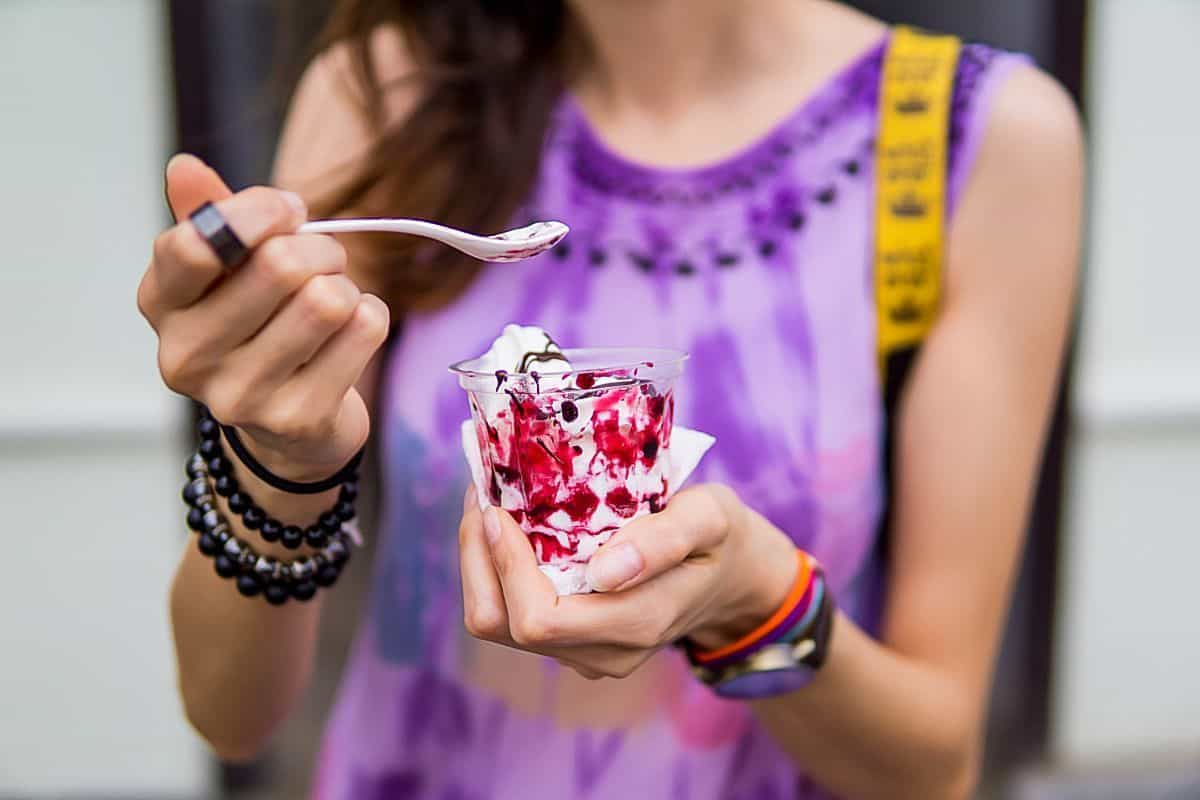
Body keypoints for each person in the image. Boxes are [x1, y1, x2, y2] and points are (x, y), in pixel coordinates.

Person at [137, 1, 1083, 797]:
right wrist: (279, 461)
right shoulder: (394, 90)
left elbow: (932, 767)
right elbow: (229, 715)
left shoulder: (969, 137)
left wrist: (754, 599)